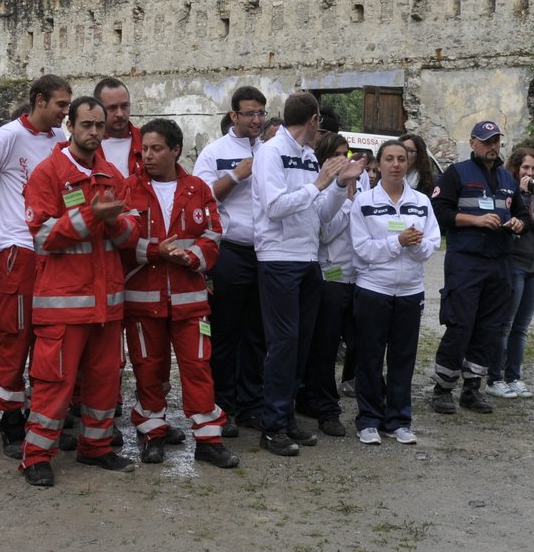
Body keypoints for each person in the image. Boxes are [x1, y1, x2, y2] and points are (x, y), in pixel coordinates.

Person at [19, 97, 138, 487]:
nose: (94, 132)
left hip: (107, 304)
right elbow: (41, 238)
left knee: (105, 381)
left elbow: (131, 236)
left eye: (99, 126)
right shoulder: (47, 173)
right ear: (69, 125)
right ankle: (36, 457)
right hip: (63, 305)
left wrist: (116, 222)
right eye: (86, 124)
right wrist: (93, 215)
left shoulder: (111, 176)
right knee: (54, 385)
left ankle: (96, 448)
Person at [0, 75, 71, 457]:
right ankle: (8, 419)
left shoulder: (59, 141)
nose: (65, 112)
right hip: (17, 249)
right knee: (13, 335)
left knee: (48, 337)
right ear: (40, 101)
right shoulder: (7, 136)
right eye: (60, 105)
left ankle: (39, 419)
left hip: (51, 251)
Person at [120, 118, 238, 469]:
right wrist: (156, 252)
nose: (148, 157)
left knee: (198, 368)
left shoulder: (199, 189)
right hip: (143, 300)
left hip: (189, 301)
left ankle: (208, 440)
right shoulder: (129, 188)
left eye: (157, 149)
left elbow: (214, 233)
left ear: (175, 150)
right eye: (145, 150)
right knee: (148, 368)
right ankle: (153, 434)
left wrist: (192, 257)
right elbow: (121, 239)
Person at [251, 91, 359, 456]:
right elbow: (275, 206)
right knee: (282, 344)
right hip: (278, 258)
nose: (320, 129)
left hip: (308, 258)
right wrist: (318, 185)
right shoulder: (270, 152)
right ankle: (272, 426)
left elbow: (322, 216)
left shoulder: (310, 157)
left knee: (300, 343)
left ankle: (287, 417)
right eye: (320, 123)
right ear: (313, 120)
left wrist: (341, 184)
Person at [430, 120, 526, 413]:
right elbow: (440, 211)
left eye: (496, 141)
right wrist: (475, 220)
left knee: (489, 329)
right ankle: (442, 388)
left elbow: (521, 211)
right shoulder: (456, 173)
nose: (492, 147)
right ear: (472, 143)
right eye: (486, 142)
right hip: (466, 261)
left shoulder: (508, 179)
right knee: (460, 325)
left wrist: (519, 222)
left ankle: (472, 389)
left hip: (499, 262)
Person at [350, 139, 439, 444]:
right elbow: (361, 250)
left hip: (410, 292)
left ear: (408, 163)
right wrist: (397, 243)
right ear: (379, 164)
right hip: (373, 289)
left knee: (403, 358)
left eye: (402, 159)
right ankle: (369, 420)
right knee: (370, 357)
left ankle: (399, 420)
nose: (396, 164)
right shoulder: (364, 202)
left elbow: (432, 244)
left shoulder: (421, 202)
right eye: (390, 159)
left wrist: (414, 245)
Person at [192, 86, 267, 433]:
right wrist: (237, 174)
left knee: (257, 333)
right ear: (234, 116)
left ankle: (251, 403)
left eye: (261, 113)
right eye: (250, 113)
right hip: (231, 250)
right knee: (225, 332)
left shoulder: (270, 151)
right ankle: (222, 403)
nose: (256, 120)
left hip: (266, 253)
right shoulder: (214, 152)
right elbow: (200, 198)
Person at [298, 131, 355, 437]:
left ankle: (314, 396)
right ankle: (326, 407)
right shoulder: (319, 185)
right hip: (328, 274)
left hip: (356, 276)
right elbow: (325, 232)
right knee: (325, 344)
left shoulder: (361, 182)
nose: (343, 162)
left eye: (346, 155)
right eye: (336, 155)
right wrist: (346, 198)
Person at [488, 146, 534, 398]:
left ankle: (513, 376)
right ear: (515, 169)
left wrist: (533, 218)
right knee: (504, 325)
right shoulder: (507, 195)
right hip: (514, 267)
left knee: (521, 328)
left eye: (533, 168)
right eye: (524, 168)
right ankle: (494, 378)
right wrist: (520, 207)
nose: (529, 172)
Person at [95, 76, 143, 177]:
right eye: (112, 108)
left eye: (124, 106)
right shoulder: (85, 144)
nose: (120, 114)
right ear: (98, 109)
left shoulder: (145, 140)